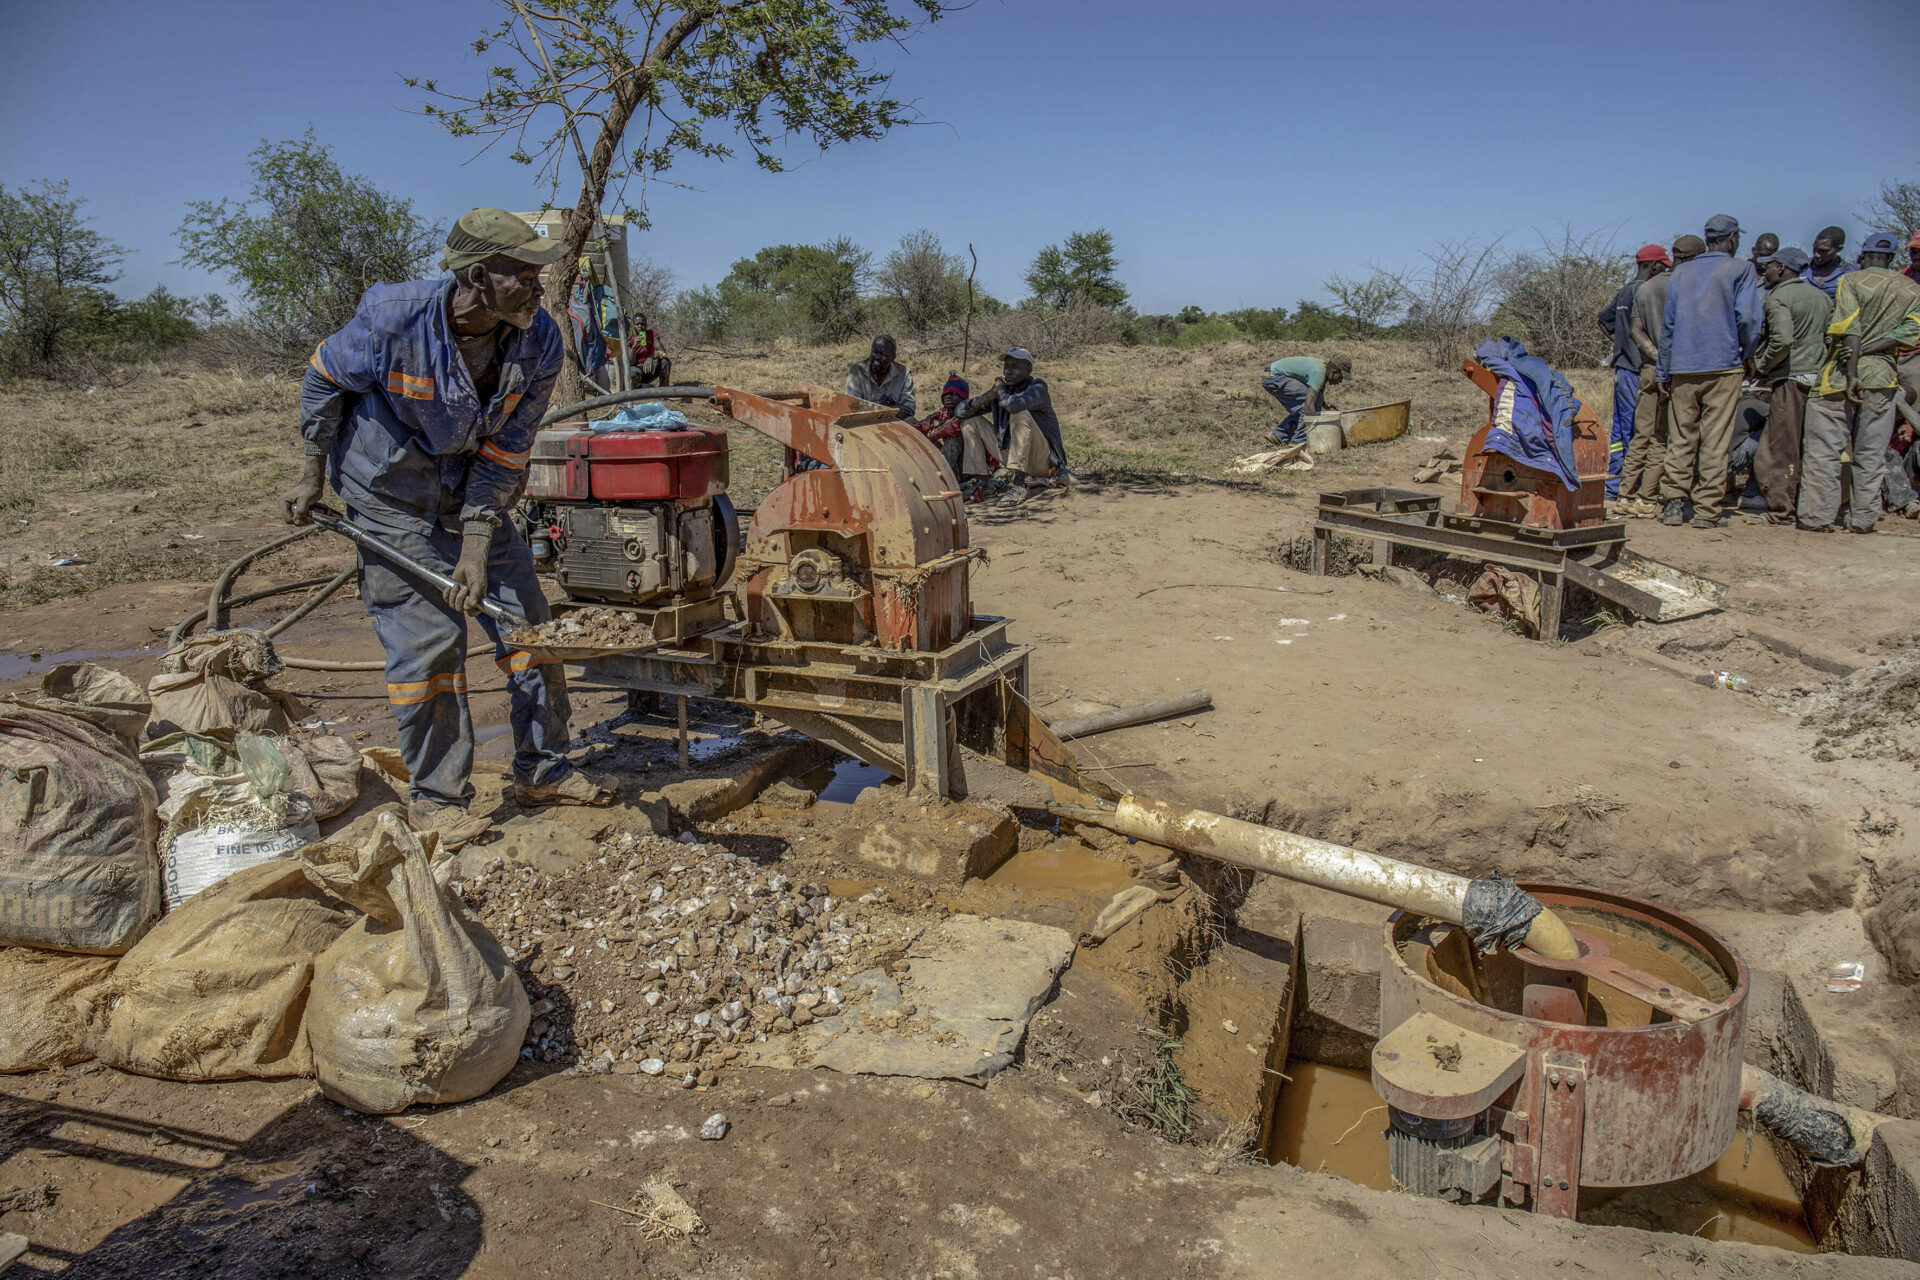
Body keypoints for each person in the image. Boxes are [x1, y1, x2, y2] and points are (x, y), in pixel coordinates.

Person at [285, 208, 614, 847]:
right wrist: (309, 472)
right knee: (431, 646)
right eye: (524, 274)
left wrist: (476, 542)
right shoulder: (393, 318)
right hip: (390, 497)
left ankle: (543, 770)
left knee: (530, 627)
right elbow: (324, 378)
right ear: (479, 275)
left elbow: (508, 448)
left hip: (469, 492)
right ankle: (438, 799)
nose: (538, 288)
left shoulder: (540, 338)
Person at [1797, 232, 1920, 533]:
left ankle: (1817, 517)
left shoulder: (1850, 281)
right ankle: (1864, 519)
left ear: (1863, 255)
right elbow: (1911, 332)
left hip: (1839, 376)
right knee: (1871, 453)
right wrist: (1873, 349)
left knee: (1824, 450)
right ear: (1892, 259)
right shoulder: (1910, 288)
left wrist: (1853, 369)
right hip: (1883, 377)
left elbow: (1847, 325)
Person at [1657, 215, 1765, 528]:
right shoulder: (1741, 269)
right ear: (1732, 238)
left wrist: (1664, 370)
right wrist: (1747, 353)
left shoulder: (1682, 272)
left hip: (1682, 368)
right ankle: (1706, 511)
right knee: (1715, 440)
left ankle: (1674, 504)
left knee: (1680, 437)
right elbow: (1748, 319)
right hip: (1724, 366)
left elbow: (1668, 327)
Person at [1747, 247, 1831, 523]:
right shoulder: (1821, 297)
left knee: (1779, 446)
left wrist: (1761, 365)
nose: (1765, 272)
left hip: (1791, 378)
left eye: (1768, 267)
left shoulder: (1778, 297)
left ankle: (1780, 511)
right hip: (1818, 379)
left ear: (1781, 268)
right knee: (1809, 444)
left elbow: (1782, 340)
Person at [1617, 237, 1697, 515]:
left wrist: (1654, 356)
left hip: (1648, 367)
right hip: (1677, 368)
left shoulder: (1646, 288)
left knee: (1641, 432)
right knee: (1662, 435)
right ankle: (1647, 497)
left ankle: (1624, 495)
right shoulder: (1688, 287)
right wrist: (1668, 360)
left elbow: (1635, 332)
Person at [1598, 247, 1668, 508]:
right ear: (1654, 265)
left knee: (1619, 429)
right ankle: (1631, 485)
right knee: (1637, 428)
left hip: (1622, 367)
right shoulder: (1647, 290)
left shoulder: (1626, 289)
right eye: (1663, 265)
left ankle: (1613, 485)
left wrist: (1620, 345)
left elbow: (1604, 320)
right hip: (1637, 369)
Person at [956, 347, 1066, 505]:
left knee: (1019, 413)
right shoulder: (1003, 393)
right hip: (1011, 456)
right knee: (970, 422)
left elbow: (1014, 405)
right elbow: (960, 412)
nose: (1008, 371)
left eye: (1015, 367)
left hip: (1041, 461)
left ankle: (1019, 484)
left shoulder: (1038, 388)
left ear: (1028, 370)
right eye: (1006, 367)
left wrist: (1000, 390)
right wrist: (988, 395)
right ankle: (983, 484)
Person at [1261, 353, 1351, 445]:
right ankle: (1299, 443)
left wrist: (1325, 405)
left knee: (1311, 402)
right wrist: (1318, 433)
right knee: (1308, 406)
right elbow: (1308, 407)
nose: (1340, 381)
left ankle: (1278, 435)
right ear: (1333, 373)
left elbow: (1317, 394)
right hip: (1274, 378)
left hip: (1273, 377)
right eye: (1340, 377)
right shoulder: (1318, 373)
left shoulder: (1323, 368)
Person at [916, 371, 974, 493]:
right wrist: (931, 426)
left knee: (954, 439)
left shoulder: (967, 413)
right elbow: (920, 426)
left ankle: (939, 480)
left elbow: (951, 428)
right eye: (946, 394)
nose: (948, 397)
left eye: (953, 394)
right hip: (953, 466)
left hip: (970, 469)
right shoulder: (943, 413)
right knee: (913, 427)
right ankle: (931, 475)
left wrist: (932, 429)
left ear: (962, 397)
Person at [846, 334, 916, 420]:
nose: (877, 357)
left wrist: (883, 410)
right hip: (864, 421)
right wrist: (885, 409)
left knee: (911, 420)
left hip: (893, 421)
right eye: (874, 352)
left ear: (892, 357)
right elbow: (852, 404)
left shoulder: (904, 374)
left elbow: (909, 408)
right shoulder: (857, 371)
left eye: (883, 354)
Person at [1802, 226, 1858, 300]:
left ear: (1839, 249)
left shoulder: (1851, 274)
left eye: (1823, 251)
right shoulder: (1801, 268)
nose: (1816, 254)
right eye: (1815, 249)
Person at [627, 314, 672, 387]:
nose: (640, 327)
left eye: (643, 324)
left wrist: (651, 358)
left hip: (650, 367)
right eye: (637, 324)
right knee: (631, 372)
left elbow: (663, 352)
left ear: (646, 325)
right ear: (633, 325)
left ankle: (664, 392)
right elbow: (630, 363)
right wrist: (634, 347)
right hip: (637, 369)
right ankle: (638, 390)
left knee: (665, 361)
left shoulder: (652, 334)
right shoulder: (629, 338)